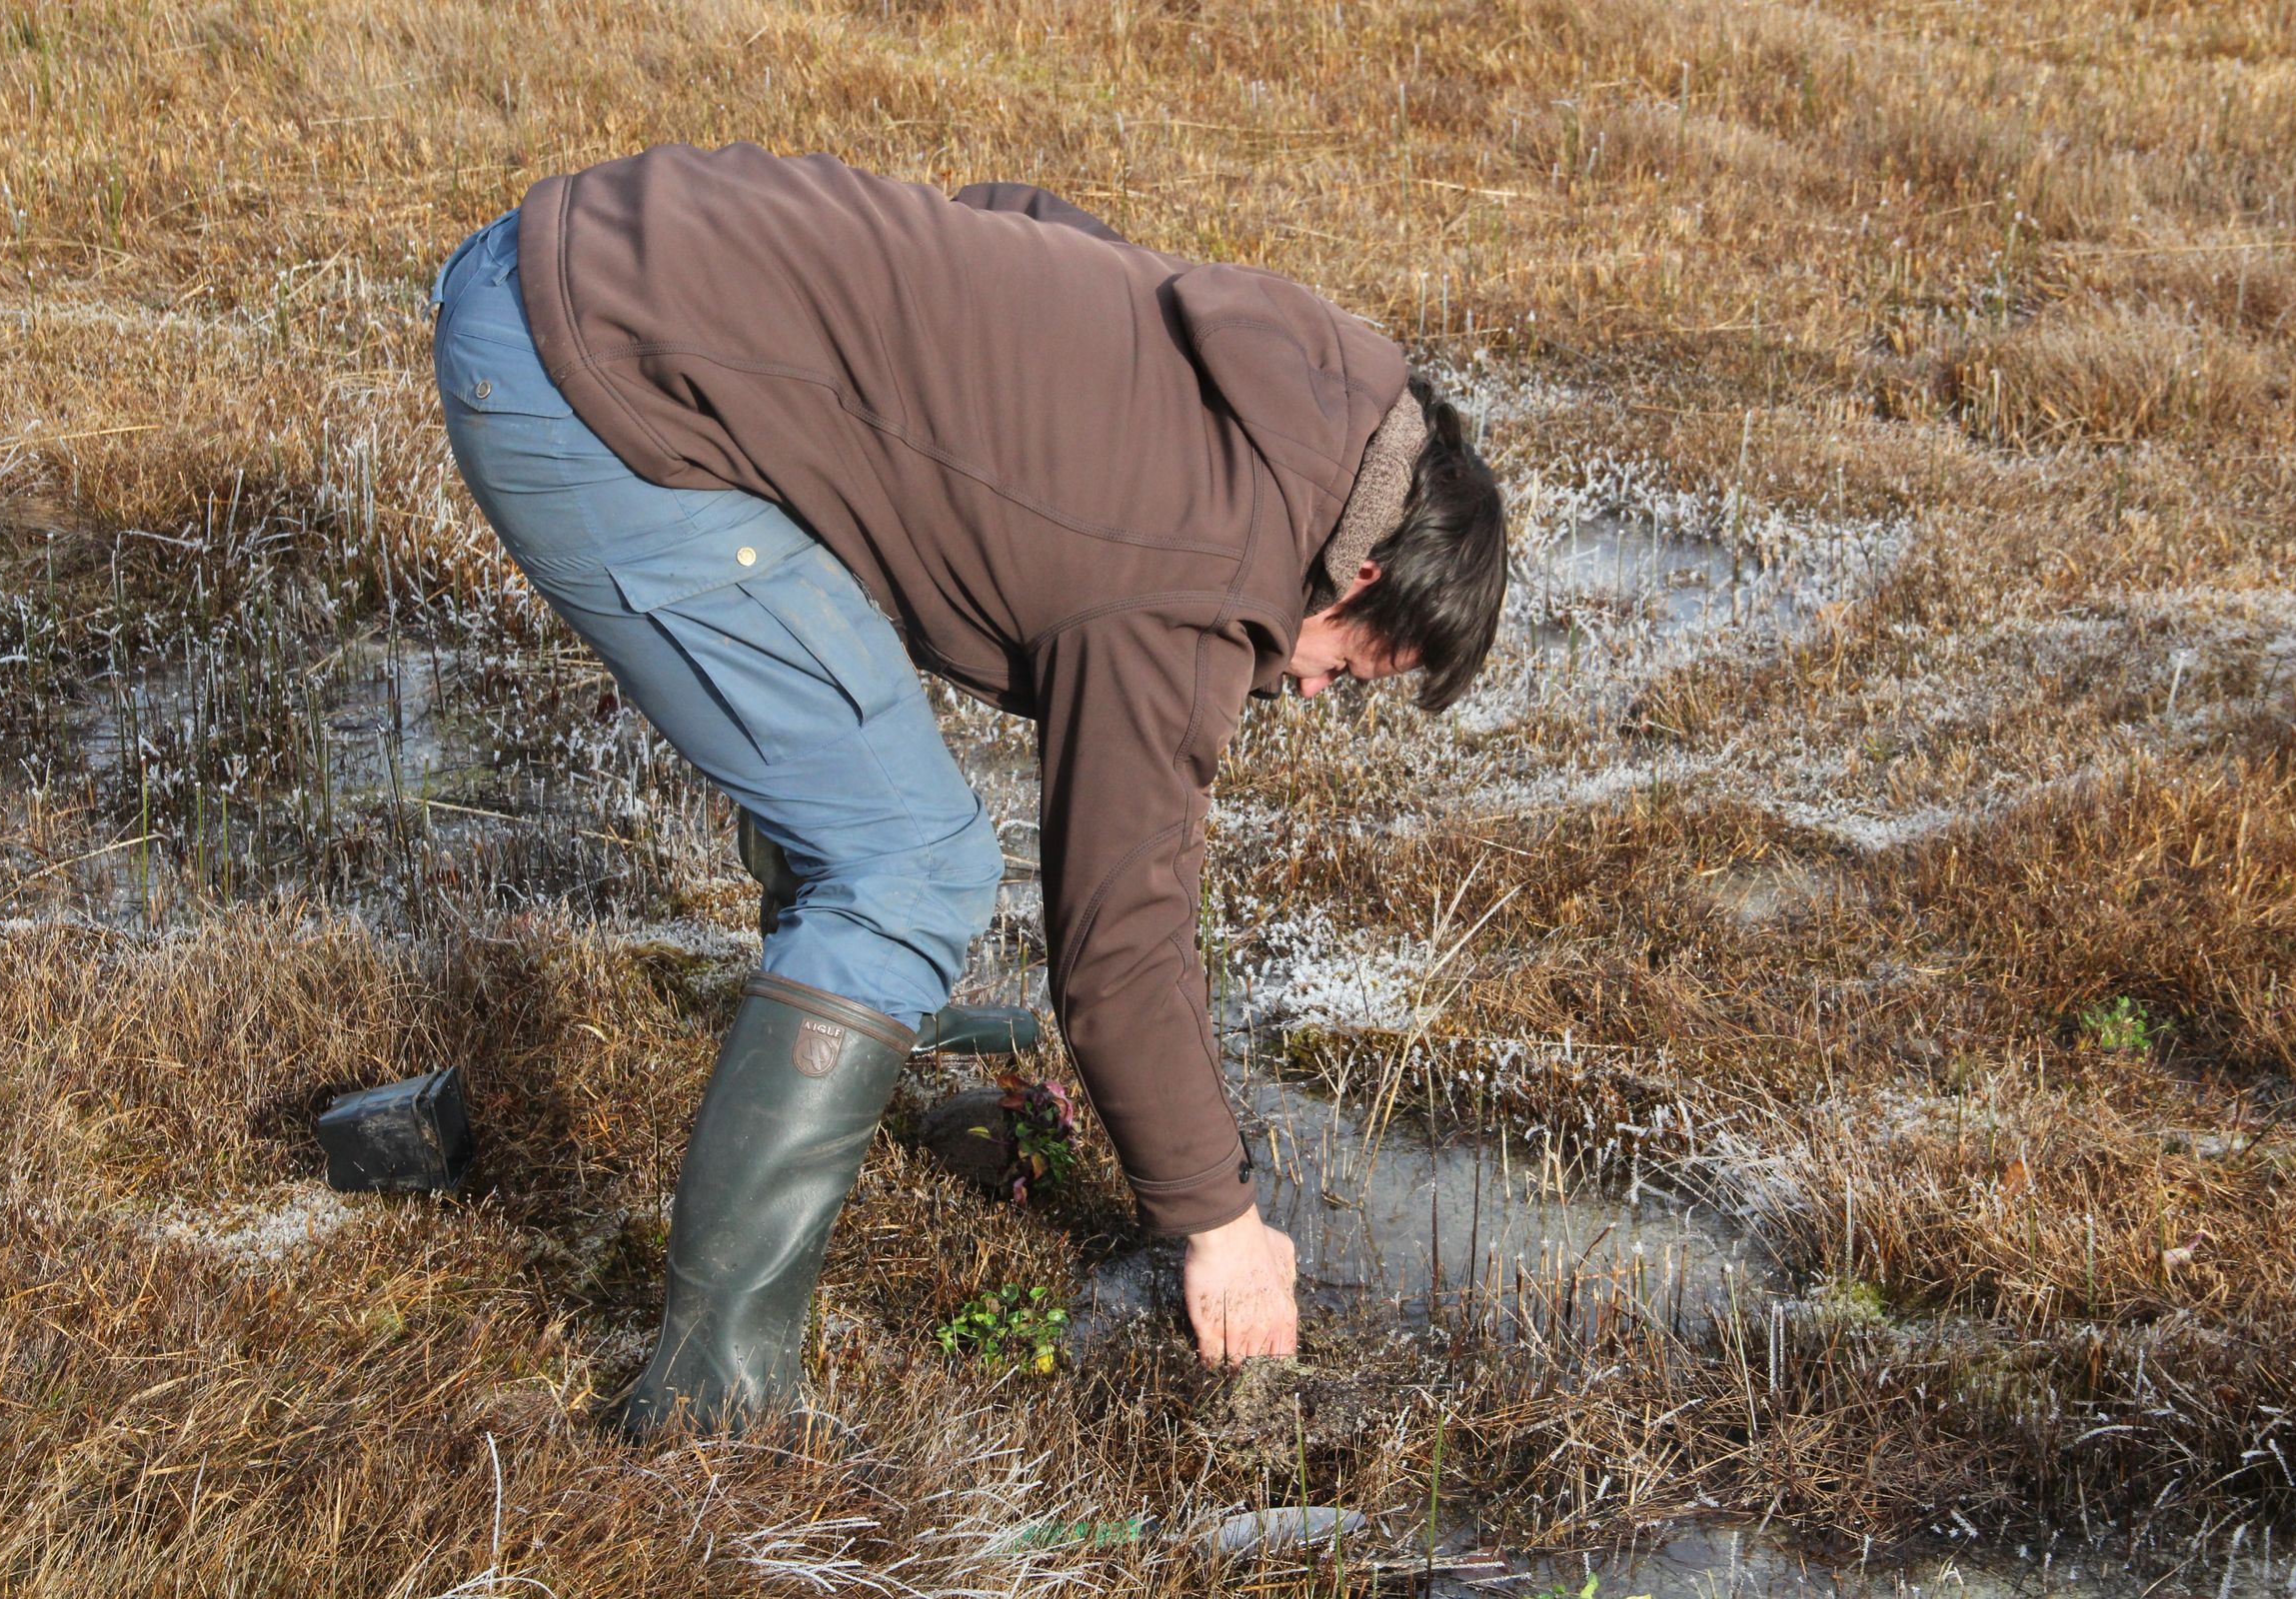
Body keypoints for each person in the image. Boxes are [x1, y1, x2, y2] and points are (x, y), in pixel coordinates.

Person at [427, 142, 1507, 1437]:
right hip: (588, 381)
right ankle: (714, 1413)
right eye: (1348, 667)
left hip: (599, 248)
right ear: (1363, 582)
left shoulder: (1288, 392)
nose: (1316, 689)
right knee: (912, 863)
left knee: (868, 773)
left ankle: (869, 1023)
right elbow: (1121, 946)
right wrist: (1220, 1224)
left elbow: (1016, 221)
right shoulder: (1191, 574)